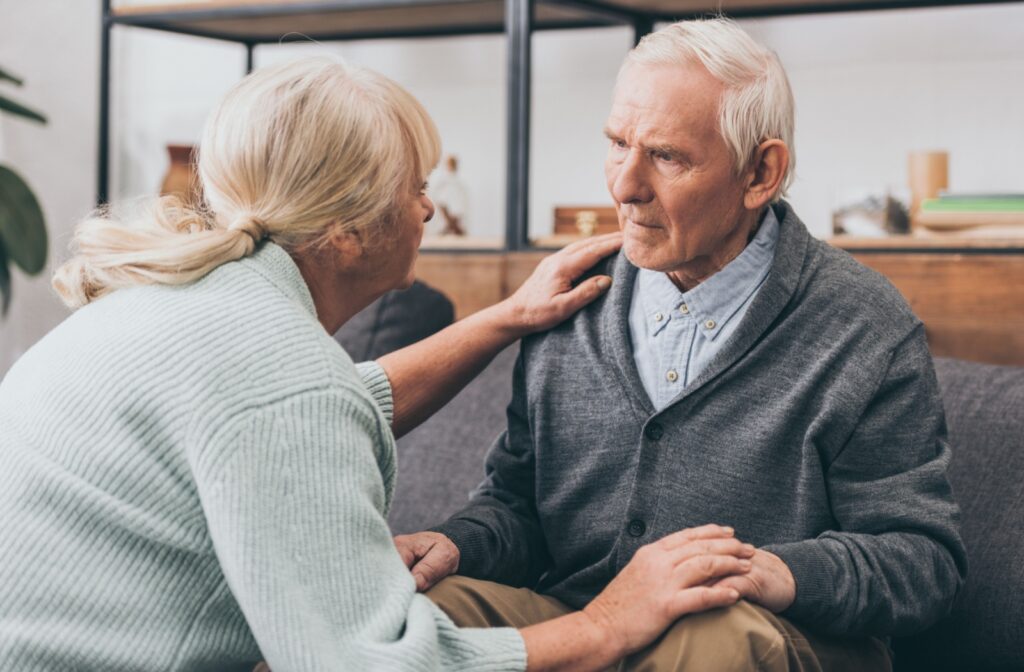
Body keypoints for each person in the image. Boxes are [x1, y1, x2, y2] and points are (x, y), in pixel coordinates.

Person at [0, 58, 758, 672]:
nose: (428, 211)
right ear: (347, 233)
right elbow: (373, 665)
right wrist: (606, 625)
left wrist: (502, 318)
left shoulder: (184, 304)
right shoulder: (280, 379)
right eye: (415, 188)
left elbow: (334, 405)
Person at [397, 18, 967, 671]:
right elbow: (518, 505)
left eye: (667, 157)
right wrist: (456, 543)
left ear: (761, 172)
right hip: (581, 621)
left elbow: (925, 564)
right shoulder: (570, 298)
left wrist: (776, 571)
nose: (623, 186)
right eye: (617, 144)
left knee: (712, 634)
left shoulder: (862, 324)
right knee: (409, 614)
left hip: (760, 634)